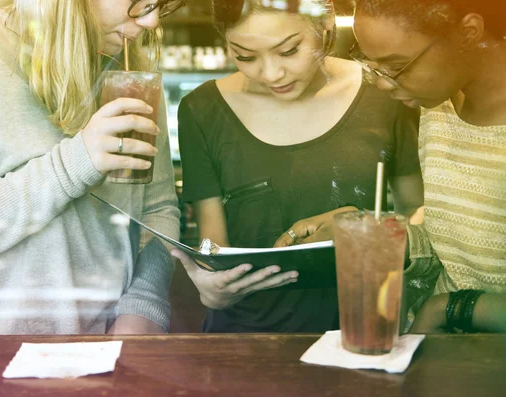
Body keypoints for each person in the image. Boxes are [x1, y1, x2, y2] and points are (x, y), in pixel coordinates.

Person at [172, 0, 423, 333]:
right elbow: (213, 243)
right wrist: (209, 279)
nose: (272, 74)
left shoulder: (384, 93)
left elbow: (420, 220)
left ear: (327, 24)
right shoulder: (202, 109)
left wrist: (360, 224)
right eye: (245, 56)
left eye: (289, 51)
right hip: (244, 337)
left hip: (362, 329)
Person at [352, 0, 506, 333]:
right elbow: (463, 252)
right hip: (448, 357)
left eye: (398, 66)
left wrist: (458, 309)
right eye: (373, 66)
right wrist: (383, 241)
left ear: (468, 33)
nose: (382, 84)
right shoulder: (440, 104)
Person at [0, 0, 184, 334]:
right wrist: (78, 161)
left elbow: (159, 208)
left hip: (112, 345)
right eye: (141, 3)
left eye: (160, 6)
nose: (151, 21)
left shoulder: (131, 72)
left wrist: (145, 305)